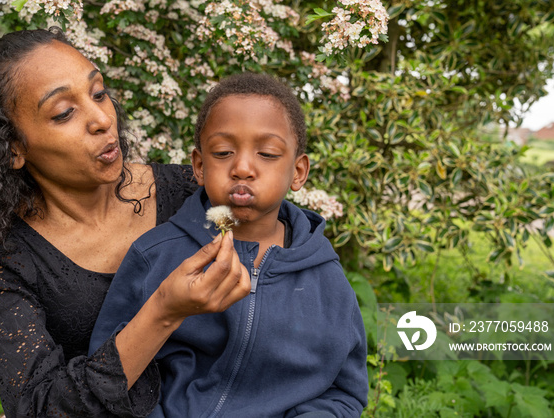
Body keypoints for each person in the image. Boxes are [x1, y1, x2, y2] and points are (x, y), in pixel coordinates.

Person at [0, 28, 251, 418]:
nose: (103, 119)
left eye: (99, 93)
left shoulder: (193, 193)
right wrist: (163, 312)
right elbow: (39, 408)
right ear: (13, 148)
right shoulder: (3, 259)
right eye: (64, 113)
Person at [89, 72, 369, 417]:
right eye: (223, 152)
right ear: (200, 166)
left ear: (298, 172)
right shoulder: (157, 255)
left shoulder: (326, 279)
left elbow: (344, 391)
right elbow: (110, 371)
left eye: (267, 154)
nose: (242, 168)